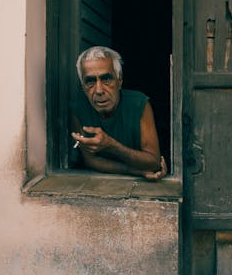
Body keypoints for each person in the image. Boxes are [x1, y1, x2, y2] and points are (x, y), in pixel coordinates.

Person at [70, 46, 167, 181]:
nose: (99, 90)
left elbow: (153, 162)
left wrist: (111, 145)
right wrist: (135, 171)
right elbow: (90, 160)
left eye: (106, 79)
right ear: (83, 86)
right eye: (90, 81)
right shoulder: (79, 109)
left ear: (119, 80)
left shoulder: (138, 104)